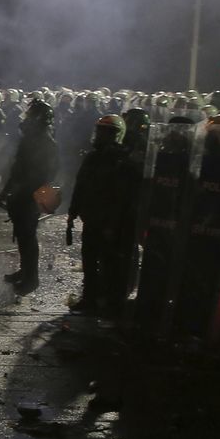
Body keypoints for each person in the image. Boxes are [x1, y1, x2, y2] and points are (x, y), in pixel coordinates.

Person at [66, 115, 140, 316]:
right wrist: (73, 211)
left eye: (104, 132)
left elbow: (121, 197)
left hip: (109, 222)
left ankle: (111, 303)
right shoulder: (93, 157)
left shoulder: (123, 162)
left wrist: (112, 224)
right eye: (99, 131)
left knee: (110, 264)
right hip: (92, 219)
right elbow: (81, 185)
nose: (99, 135)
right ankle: (90, 298)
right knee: (89, 261)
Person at [0, 98, 59, 295]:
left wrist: (28, 193)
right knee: (23, 236)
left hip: (30, 194)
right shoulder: (31, 139)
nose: (26, 118)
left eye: (30, 115)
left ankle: (31, 279)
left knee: (28, 236)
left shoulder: (45, 142)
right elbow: (18, 169)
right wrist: (7, 191)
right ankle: (25, 271)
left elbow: (45, 174)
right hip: (22, 192)